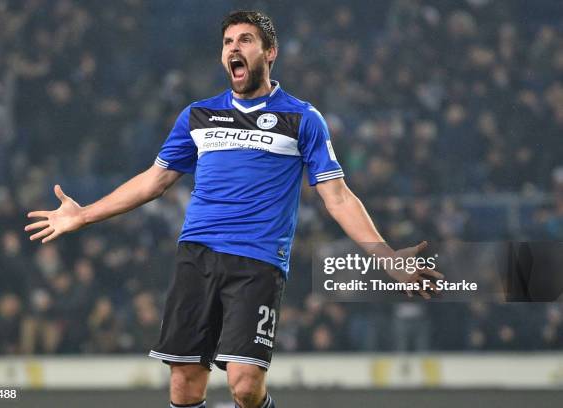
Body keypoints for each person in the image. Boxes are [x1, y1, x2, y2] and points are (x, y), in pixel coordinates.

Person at [25, 10, 440, 408]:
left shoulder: (302, 118)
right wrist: (83, 214)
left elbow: (338, 196)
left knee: (244, 384)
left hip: (257, 262)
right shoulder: (198, 115)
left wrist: (386, 258)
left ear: (270, 52)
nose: (233, 48)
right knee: (184, 382)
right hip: (197, 256)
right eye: (227, 42)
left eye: (245, 40)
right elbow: (155, 180)